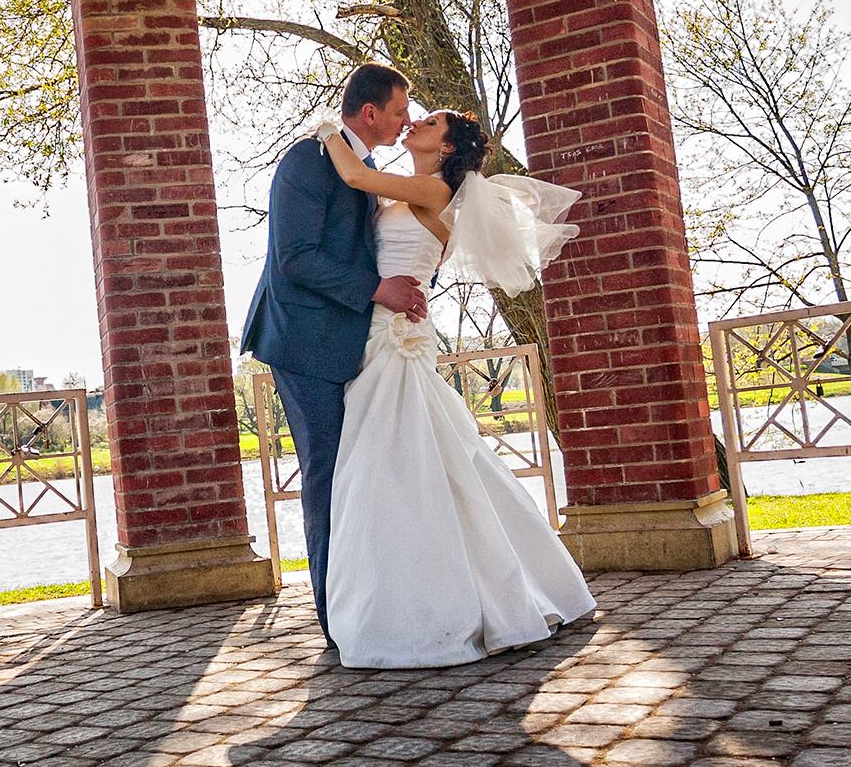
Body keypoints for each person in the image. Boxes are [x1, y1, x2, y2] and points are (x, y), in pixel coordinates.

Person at [312, 103, 599, 667]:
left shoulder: (436, 191)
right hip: (384, 330)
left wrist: (327, 129)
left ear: (446, 147)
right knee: (427, 461)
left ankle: (443, 607)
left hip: (395, 337)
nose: (415, 123)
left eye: (430, 122)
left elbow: (354, 175)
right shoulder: (414, 190)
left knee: (394, 464)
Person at [240, 62, 428, 642]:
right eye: (400, 111)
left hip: (358, 343)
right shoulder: (306, 160)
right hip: (303, 341)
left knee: (363, 473)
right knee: (326, 474)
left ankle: (372, 598)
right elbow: (295, 257)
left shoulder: (364, 169)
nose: (407, 121)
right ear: (370, 112)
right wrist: (378, 290)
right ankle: (336, 622)